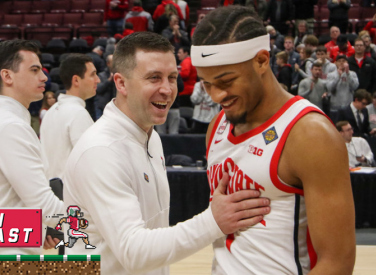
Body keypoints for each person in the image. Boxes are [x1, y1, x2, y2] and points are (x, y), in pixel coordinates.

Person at [62, 31, 271, 274]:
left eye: (172, 77)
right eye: (154, 78)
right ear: (120, 83)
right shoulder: (101, 150)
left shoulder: (151, 138)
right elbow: (134, 251)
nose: (167, 89)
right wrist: (213, 222)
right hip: (17, 239)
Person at [192, 6, 355, 274]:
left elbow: (337, 263)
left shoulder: (310, 135)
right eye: (207, 84)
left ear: (261, 60)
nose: (217, 95)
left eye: (226, 80)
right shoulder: (217, 125)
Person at [0, 40, 65, 255]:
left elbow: (5, 200)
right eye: (34, 70)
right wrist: (90, 222)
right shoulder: (9, 126)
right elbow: (42, 203)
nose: (44, 77)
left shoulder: (2, 120)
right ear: (7, 76)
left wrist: (39, 231)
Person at [40, 54, 100, 180]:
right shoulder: (77, 113)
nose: (97, 80)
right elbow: (89, 162)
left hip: (51, 188)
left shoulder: (51, 111)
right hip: (70, 192)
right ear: (76, 80)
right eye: (92, 74)